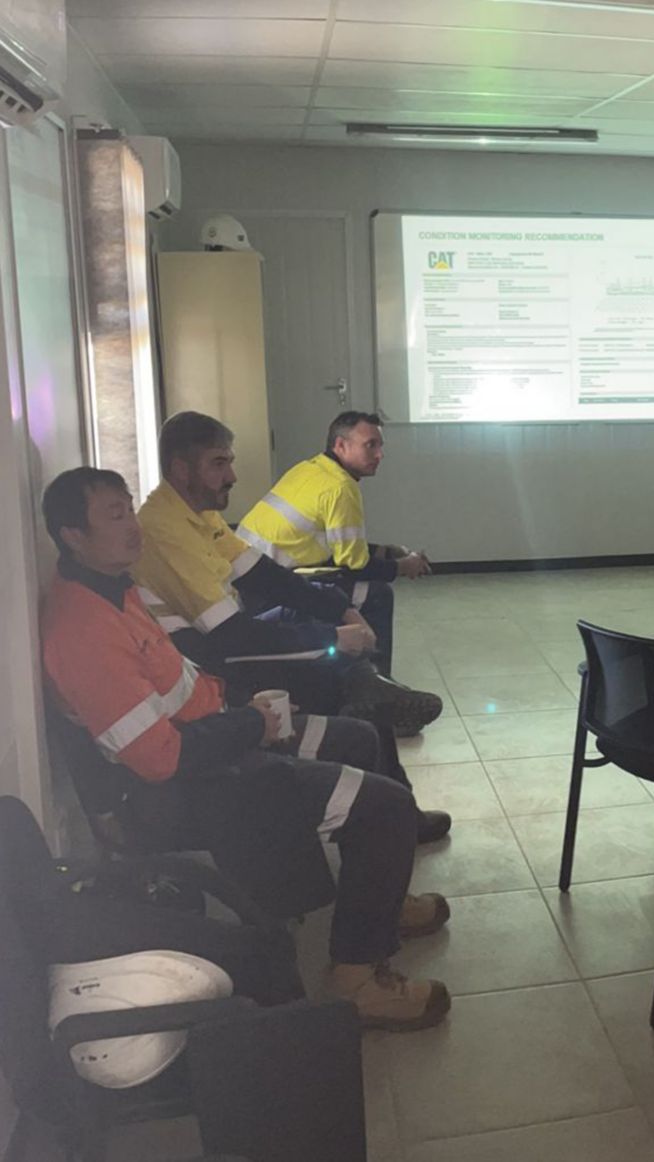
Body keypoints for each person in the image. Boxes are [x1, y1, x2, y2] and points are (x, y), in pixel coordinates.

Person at [40, 467, 452, 1031]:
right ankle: (356, 980)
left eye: (129, 507)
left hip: (220, 736)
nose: (133, 526)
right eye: (115, 514)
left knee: (358, 736)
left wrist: (244, 710)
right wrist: (251, 728)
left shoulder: (115, 589)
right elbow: (159, 759)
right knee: (385, 807)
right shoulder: (84, 627)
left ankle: (380, 900)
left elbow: (183, 682)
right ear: (73, 535)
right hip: (196, 785)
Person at [134, 412, 444, 740]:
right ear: (181, 470)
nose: (232, 476)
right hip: (210, 657)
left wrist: (340, 608)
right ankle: (369, 690)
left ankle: (371, 688)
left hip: (246, 608)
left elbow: (262, 574)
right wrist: (333, 637)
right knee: (339, 634)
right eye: (219, 464)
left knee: (319, 609)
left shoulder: (196, 512)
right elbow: (229, 637)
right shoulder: (165, 530)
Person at [237, 411, 432, 674]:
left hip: (248, 578)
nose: (380, 455)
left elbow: (332, 542)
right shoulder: (340, 488)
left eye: (380, 445)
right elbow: (355, 566)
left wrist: (387, 552)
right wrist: (402, 566)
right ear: (340, 446)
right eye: (370, 445)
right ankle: (376, 683)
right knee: (377, 595)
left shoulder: (310, 468)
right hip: (268, 591)